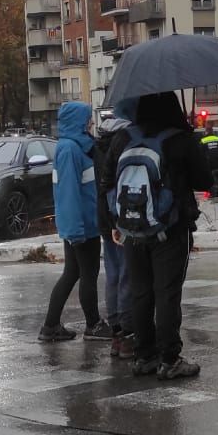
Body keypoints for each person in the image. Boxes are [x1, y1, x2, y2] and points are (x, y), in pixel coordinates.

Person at [100, 92, 213, 380]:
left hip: (132, 230)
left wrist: (116, 221)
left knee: (141, 294)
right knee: (167, 295)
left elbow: (108, 182)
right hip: (170, 230)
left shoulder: (123, 138)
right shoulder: (179, 139)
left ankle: (144, 356)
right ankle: (170, 359)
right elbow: (204, 180)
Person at [40, 101, 112, 343]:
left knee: (72, 273)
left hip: (82, 222)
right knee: (87, 273)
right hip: (83, 225)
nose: (90, 123)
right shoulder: (70, 149)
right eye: (86, 119)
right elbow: (68, 193)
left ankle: (50, 326)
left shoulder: (77, 147)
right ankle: (93, 324)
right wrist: (75, 229)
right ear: (77, 122)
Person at [96, 113, 135, 359]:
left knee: (112, 275)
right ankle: (125, 333)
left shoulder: (98, 144)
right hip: (119, 220)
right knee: (126, 276)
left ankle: (115, 332)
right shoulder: (122, 145)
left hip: (103, 219)